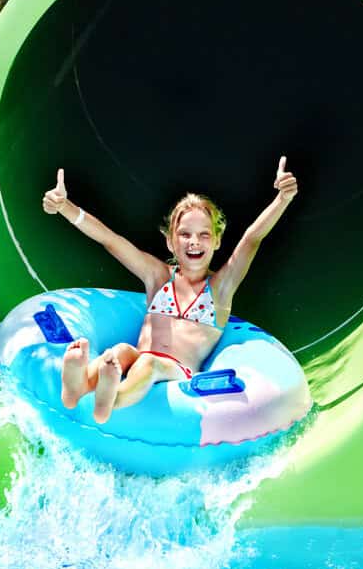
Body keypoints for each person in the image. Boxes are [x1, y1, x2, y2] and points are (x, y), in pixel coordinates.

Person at [41, 157, 298, 424]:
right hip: (140, 357)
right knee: (118, 352)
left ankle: (111, 399)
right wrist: (66, 207)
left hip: (178, 372)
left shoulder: (220, 288)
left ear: (218, 240)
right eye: (185, 234)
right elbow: (110, 240)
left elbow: (251, 239)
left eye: (204, 234)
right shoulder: (159, 276)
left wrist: (282, 198)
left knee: (148, 364)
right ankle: (77, 386)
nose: (194, 242)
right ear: (170, 242)